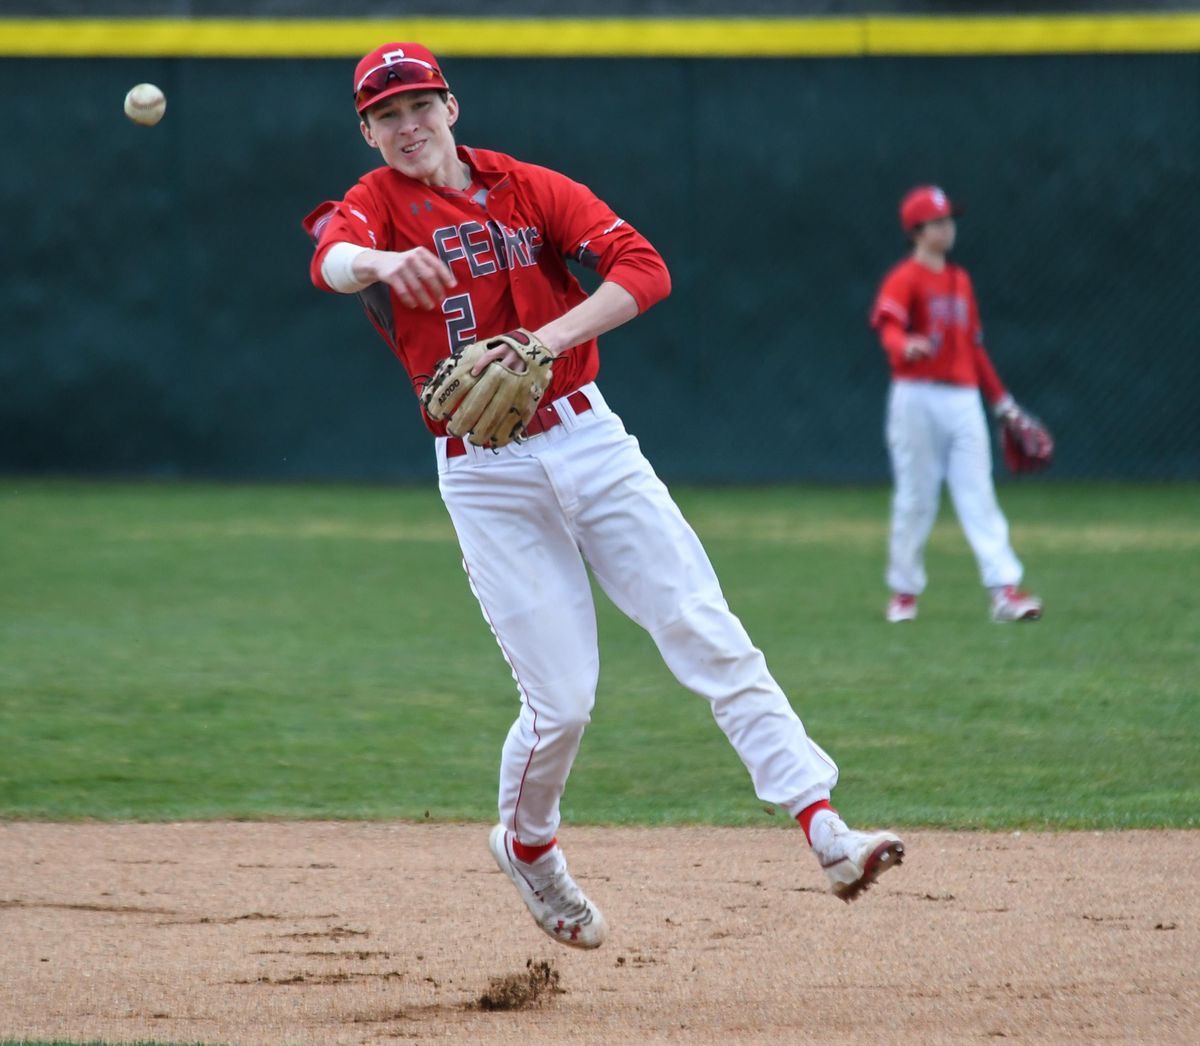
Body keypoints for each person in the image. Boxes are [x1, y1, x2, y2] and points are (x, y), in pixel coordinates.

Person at [303, 42, 904, 949]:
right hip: (486, 474)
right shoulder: (377, 208)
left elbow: (643, 268)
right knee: (564, 702)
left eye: (420, 104)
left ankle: (825, 829)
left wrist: (546, 340)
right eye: (385, 115)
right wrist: (382, 267)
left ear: (452, 107)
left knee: (705, 626)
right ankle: (528, 843)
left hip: (589, 436)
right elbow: (330, 258)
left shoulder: (528, 186)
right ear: (367, 129)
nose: (407, 125)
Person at [870, 186, 1044, 624]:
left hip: (964, 398)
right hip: (916, 396)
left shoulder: (960, 280)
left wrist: (1002, 403)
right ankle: (904, 593)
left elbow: (975, 348)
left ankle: (1005, 590)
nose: (948, 228)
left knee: (978, 493)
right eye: (938, 221)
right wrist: (902, 345)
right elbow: (888, 327)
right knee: (917, 497)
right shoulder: (904, 278)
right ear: (916, 230)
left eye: (950, 220)